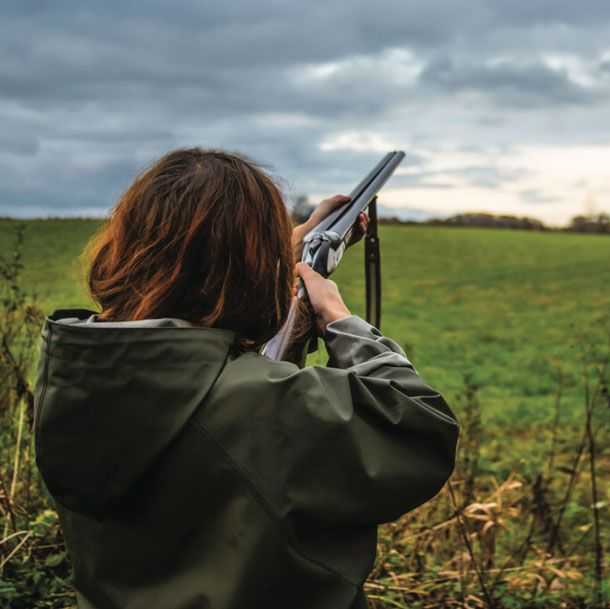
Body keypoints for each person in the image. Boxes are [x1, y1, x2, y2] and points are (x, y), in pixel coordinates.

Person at [33, 148, 459, 609]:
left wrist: (278, 264)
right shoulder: (254, 405)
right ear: (249, 268)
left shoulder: (80, 369)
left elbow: (213, 399)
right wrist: (338, 319)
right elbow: (420, 428)